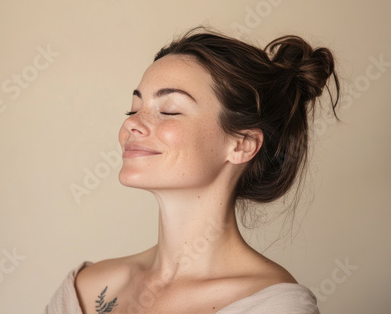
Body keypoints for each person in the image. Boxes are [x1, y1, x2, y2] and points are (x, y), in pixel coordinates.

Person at [46, 27, 340, 313]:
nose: (131, 124)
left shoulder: (274, 307)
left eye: (170, 110)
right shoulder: (83, 290)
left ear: (243, 144)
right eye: (133, 109)